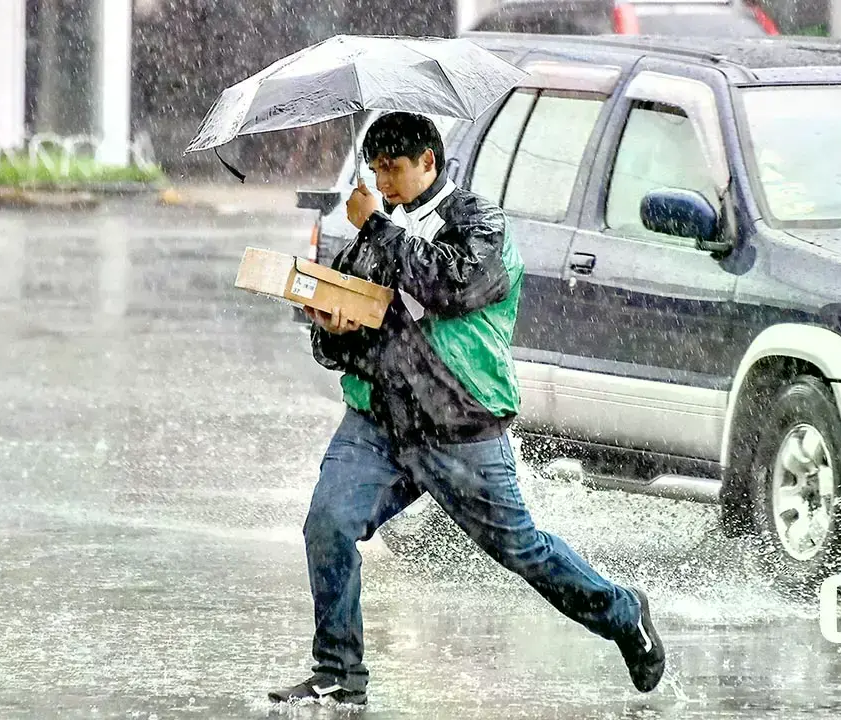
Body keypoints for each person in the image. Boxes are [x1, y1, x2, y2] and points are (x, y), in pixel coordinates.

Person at [269, 111, 664, 707]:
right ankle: (338, 673)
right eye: (376, 171)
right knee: (327, 524)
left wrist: (376, 227)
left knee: (522, 551)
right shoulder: (379, 235)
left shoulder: (479, 222)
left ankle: (623, 612)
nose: (385, 182)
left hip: (461, 426)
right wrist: (336, 328)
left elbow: (451, 287)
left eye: (394, 169)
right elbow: (337, 339)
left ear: (429, 160)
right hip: (379, 422)